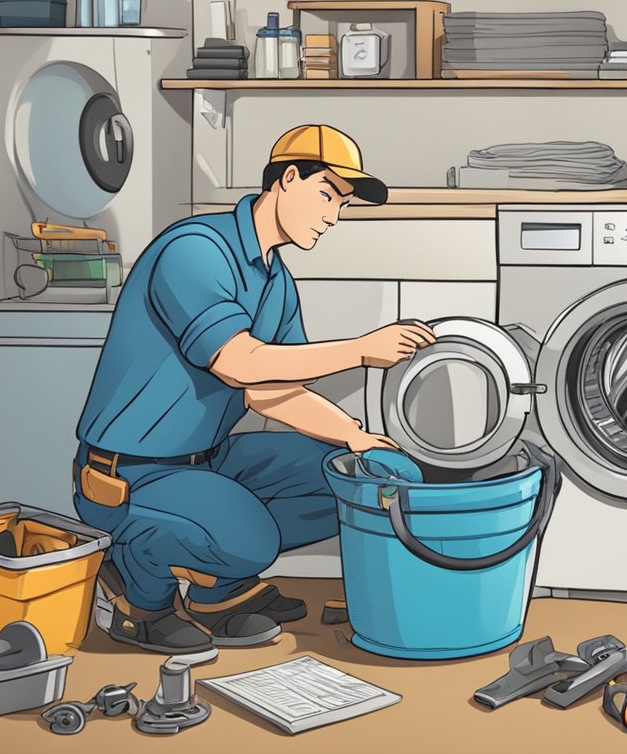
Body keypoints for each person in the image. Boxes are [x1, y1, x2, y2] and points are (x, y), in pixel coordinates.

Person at [71, 125, 435, 654]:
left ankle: (217, 592)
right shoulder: (196, 250)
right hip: (126, 472)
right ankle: (136, 594)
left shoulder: (275, 280)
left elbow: (272, 392)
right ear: (287, 179)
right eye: (328, 195)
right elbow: (240, 363)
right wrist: (360, 348)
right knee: (252, 539)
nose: (334, 216)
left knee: (351, 479)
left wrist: (356, 439)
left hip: (207, 460)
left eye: (344, 205)